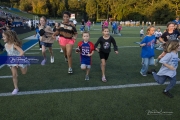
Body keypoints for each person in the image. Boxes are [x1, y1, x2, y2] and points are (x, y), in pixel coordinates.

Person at [2, 30, 28, 94]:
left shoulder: (15, 45)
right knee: (14, 75)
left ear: (9, 37)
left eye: (4, 37)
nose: (2, 38)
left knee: (24, 72)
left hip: (20, 59)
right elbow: (9, 53)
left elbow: (22, 52)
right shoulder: (5, 45)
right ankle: (16, 88)